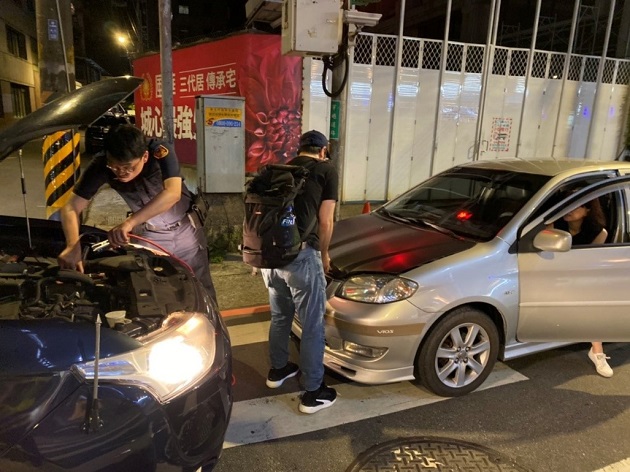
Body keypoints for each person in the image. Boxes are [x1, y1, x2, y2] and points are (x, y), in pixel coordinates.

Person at [57, 124, 217, 304]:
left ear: (145, 157)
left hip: (186, 231)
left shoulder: (160, 151)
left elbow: (172, 193)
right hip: (150, 235)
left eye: (127, 167)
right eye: (114, 167)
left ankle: (216, 332)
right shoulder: (101, 165)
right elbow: (71, 207)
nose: (121, 172)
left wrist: (129, 223)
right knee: (156, 293)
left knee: (202, 293)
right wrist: (72, 245)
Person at [260, 130, 339, 414]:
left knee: (280, 316)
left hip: (269, 258)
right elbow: (326, 221)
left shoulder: (279, 170)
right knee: (313, 325)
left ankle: (278, 370)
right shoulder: (325, 170)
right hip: (302, 256)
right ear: (323, 150)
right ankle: (313, 392)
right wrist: (325, 253)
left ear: (300, 148)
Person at [555, 195, 612, 377]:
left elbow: (590, 265)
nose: (569, 210)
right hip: (552, 273)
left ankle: (597, 352)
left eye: (576, 206)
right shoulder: (554, 224)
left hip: (579, 277)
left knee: (591, 298)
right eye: (567, 205)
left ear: (587, 210)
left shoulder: (598, 232)